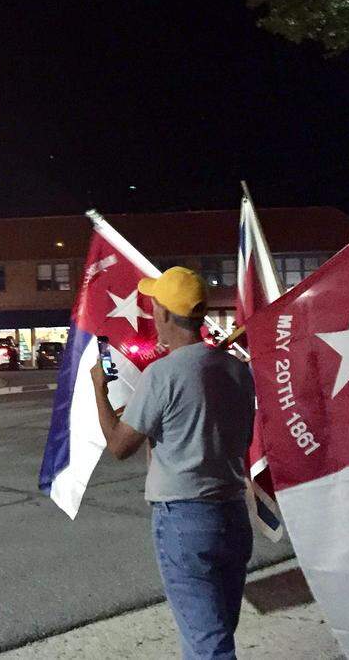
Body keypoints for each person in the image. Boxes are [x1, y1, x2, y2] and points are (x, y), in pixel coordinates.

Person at [91, 267, 256, 660]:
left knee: (206, 645)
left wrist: (99, 389)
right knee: (217, 632)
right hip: (233, 515)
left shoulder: (162, 374)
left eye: (153, 308)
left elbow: (119, 446)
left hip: (185, 519)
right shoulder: (237, 369)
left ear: (165, 313)